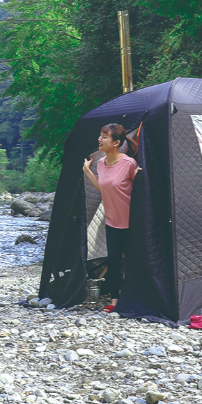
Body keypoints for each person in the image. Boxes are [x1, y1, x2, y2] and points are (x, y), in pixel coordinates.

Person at [82, 123, 140, 311]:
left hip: (132, 222)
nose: (100, 139)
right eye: (100, 135)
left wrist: (140, 177)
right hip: (112, 222)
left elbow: (140, 191)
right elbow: (102, 188)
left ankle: (135, 298)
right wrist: (87, 171)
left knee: (134, 261)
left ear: (116, 143)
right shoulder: (100, 163)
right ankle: (114, 301)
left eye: (104, 136)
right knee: (114, 261)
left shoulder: (129, 164)